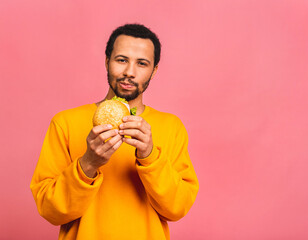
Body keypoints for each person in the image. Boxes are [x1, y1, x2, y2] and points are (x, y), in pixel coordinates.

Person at [30, 23, 199, 240]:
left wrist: (149, 157)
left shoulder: (171, 127)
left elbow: (177, 208)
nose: (129, 72)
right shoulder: (65, 122)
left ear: (154, 70)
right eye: (121, 60)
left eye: (142, 63)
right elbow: (49, 210)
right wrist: (88, 162)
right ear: (107, 61)